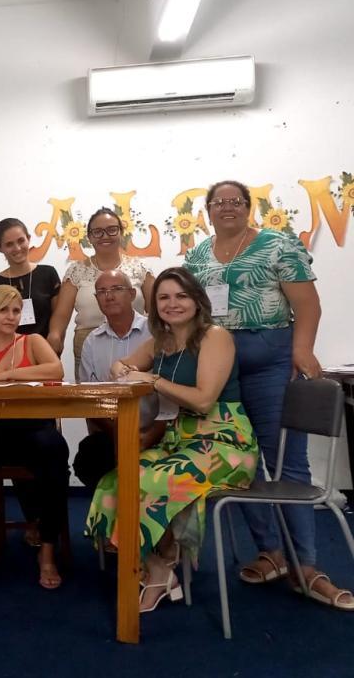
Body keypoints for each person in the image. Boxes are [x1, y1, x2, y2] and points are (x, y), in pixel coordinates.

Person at [185, 179, 353, 609]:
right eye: (219, 202)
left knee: (286, 461)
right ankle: (272, 552)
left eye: (235, 201)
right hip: (218, 366)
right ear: (208, 210)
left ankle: (306, 566)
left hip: (272, 362)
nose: (227, 207)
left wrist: (302, 349)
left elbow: (308, 305)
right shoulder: (197, 255)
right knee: (238, 459)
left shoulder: (278, 245)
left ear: (248, 207)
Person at [85, 267, 258, 613]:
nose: (172, 303)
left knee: (149, 481)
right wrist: (123, 369)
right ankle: (158, 567)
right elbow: (121, 366)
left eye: (181, 296)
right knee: (117, 479)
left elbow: (203, 400)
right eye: (163, 297)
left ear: (197, 300)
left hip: (225, 443)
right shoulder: (160, 341)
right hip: (182, 441)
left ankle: (158, 566)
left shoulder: (215, 336)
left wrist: (152, 380)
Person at [0, 285, 69, 589]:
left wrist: (5, 375)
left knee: (56, 454)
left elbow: (55, 369)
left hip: (34, 430)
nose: (11, 316)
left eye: (16, 310)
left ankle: (47, 552)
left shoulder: (32, 342)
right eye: (4, 310)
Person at [72, 270, 164, 490]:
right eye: (102, 291)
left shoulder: (157, 333)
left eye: (116, 289)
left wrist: (149, 435)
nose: (109, 296)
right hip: (113, 429)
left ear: (132, 294)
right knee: (88, 460)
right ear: (96, 299)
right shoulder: (92, 341)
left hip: (159, 428)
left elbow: (171, 395)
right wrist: (120, 433)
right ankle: (108, 510)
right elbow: (89, 400)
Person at [48, 207, 154, 374]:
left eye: (112, 230)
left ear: (121, 233)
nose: (105, 236)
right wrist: (54, 337)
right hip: (88, 345)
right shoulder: (76, 270)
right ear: (89, 237)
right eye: (98, 232)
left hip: (136, 343)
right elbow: (61, 315)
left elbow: (156, 310)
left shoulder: (140, 268)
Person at [0, 218, 60, 339]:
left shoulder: (48, 273)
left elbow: (59, 319)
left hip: (46, 347)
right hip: (9, 349)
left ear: (28, 239)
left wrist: (54, 342)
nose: (17, 248)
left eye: (21, 241)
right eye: (9, 244)